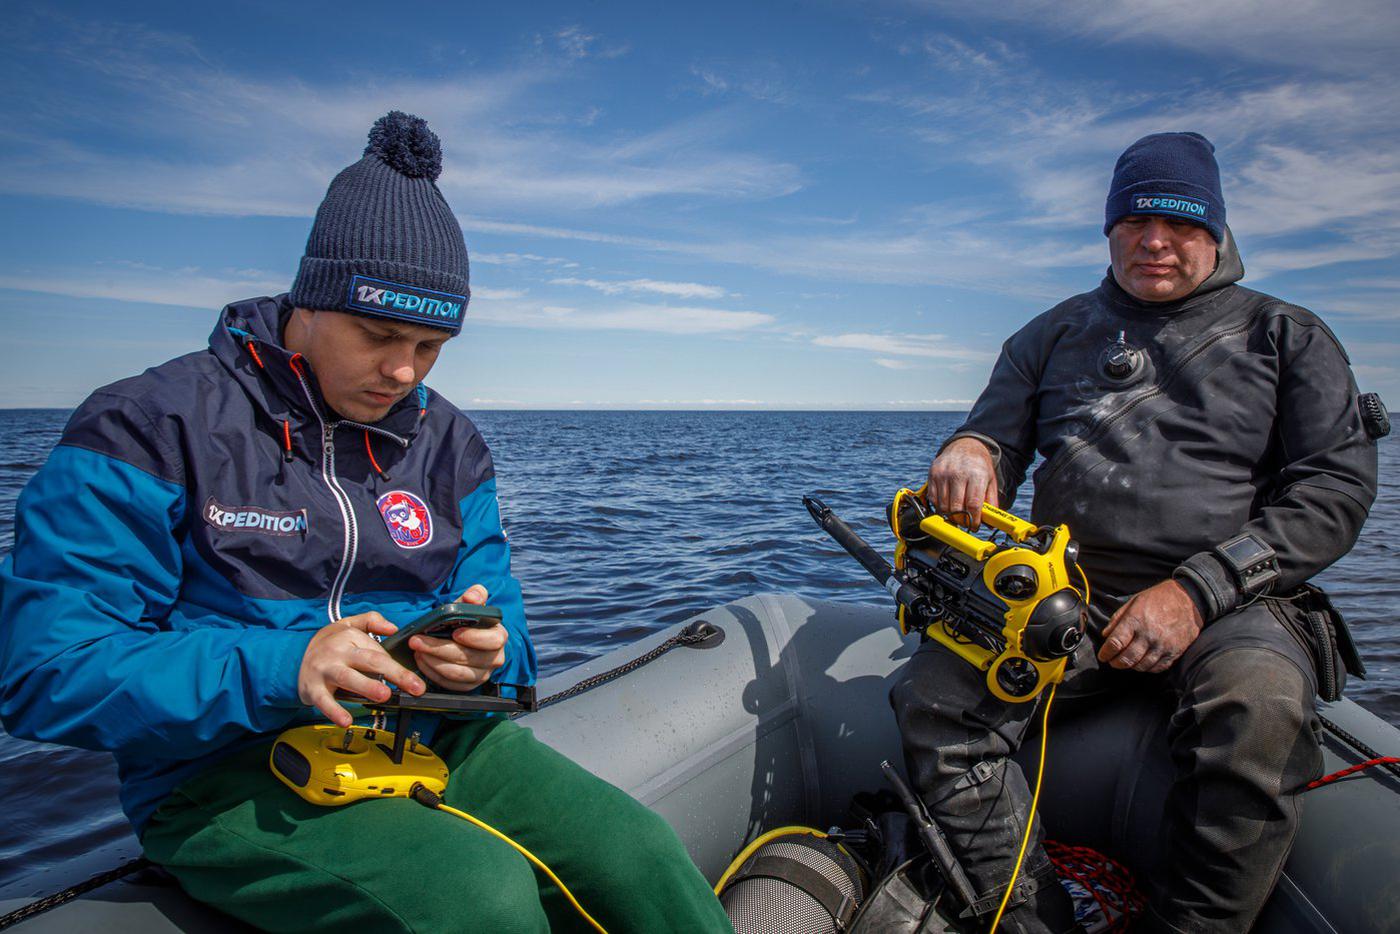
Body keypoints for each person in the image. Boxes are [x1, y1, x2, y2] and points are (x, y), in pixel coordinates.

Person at [0, 111, 731, 933]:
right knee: (470, 897)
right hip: (222, 770)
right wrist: (286, 666)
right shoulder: (145, 425)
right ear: (308, 304)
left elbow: (506, 622)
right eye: (380, 335)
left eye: (431, 346)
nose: (402, 372)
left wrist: (485, 659)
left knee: (639, 855)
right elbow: (44, 667)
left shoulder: (449, 440)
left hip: (430, 738)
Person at [890, 132, 1383, 932]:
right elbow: (996, 440)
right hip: (1066, 597)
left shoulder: (1289, 334)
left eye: (1181, 223)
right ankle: (1028, 918)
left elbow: (1334, 488)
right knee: (934, 700)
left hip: (1233, 600)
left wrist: (1197, 590)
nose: (1155, 240)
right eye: (1135, 221)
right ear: (1109, 229)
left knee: (1259, 706)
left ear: (1216, 233)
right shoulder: (1049, 334)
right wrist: (970, 450)